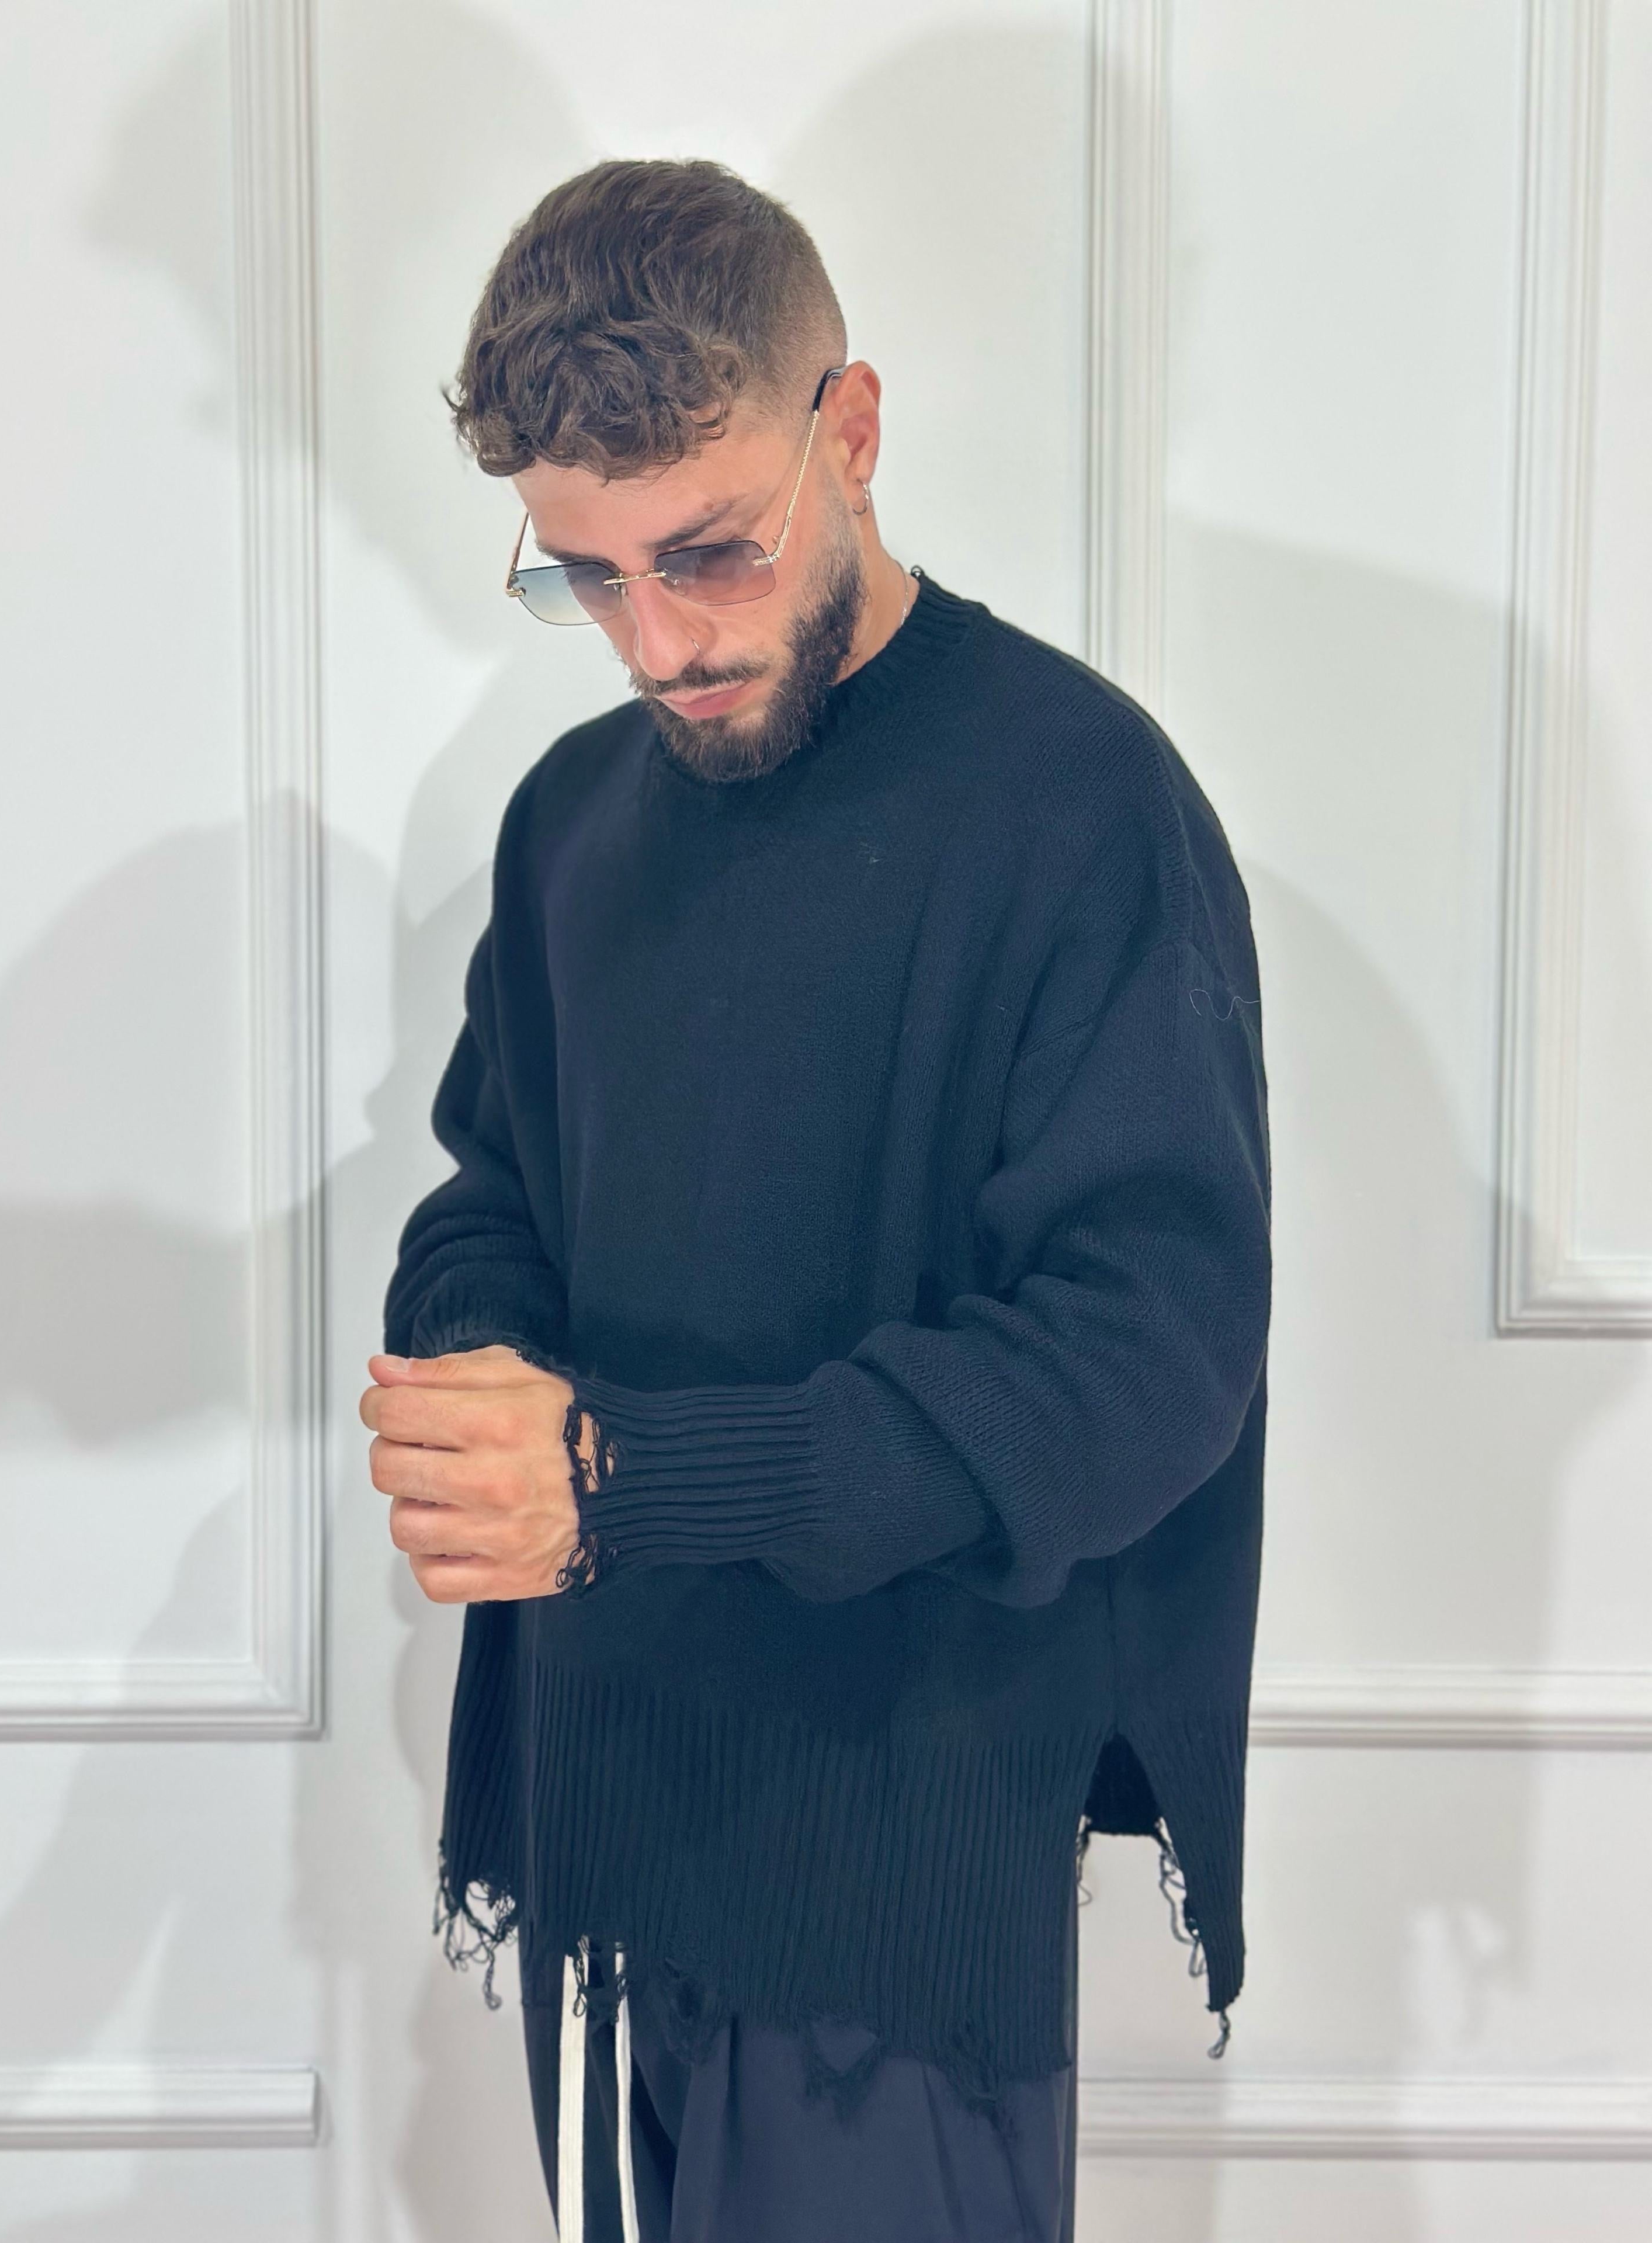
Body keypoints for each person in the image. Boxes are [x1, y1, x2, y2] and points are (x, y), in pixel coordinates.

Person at [362, 156, 1272, 2243]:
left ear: (847, 432)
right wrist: (482, 1369)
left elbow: (1147, 1363)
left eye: (710, 552)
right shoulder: (572, 819)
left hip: (888, 1863)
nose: (659, 641)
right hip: (607, 1809)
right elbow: (495, 1190)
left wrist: (616, 1477)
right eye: (588, 578)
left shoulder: (1077, 801)